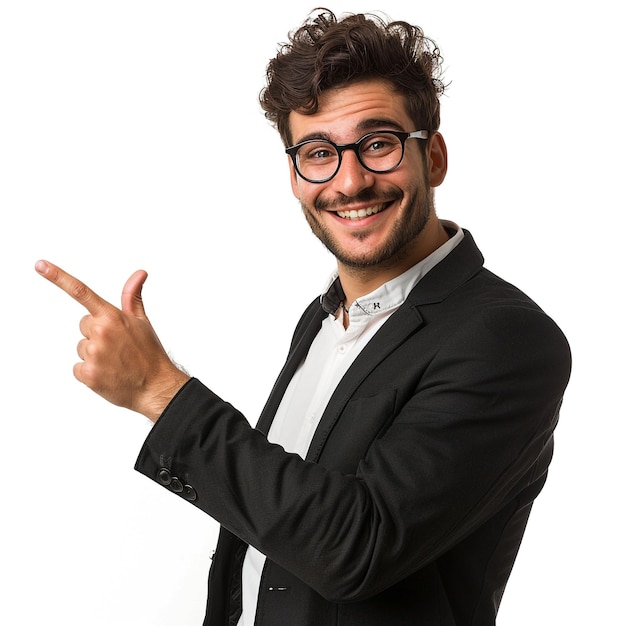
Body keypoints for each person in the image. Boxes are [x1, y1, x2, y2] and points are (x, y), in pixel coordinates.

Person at [35, 9, 572, 626]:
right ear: (294, 175)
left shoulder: (507, 338)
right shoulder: (321, 321)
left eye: (378, 144)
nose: (349, 181)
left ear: (435, 158)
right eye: (318, 152)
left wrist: (160, 391)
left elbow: (356, 547)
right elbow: (277, 526)